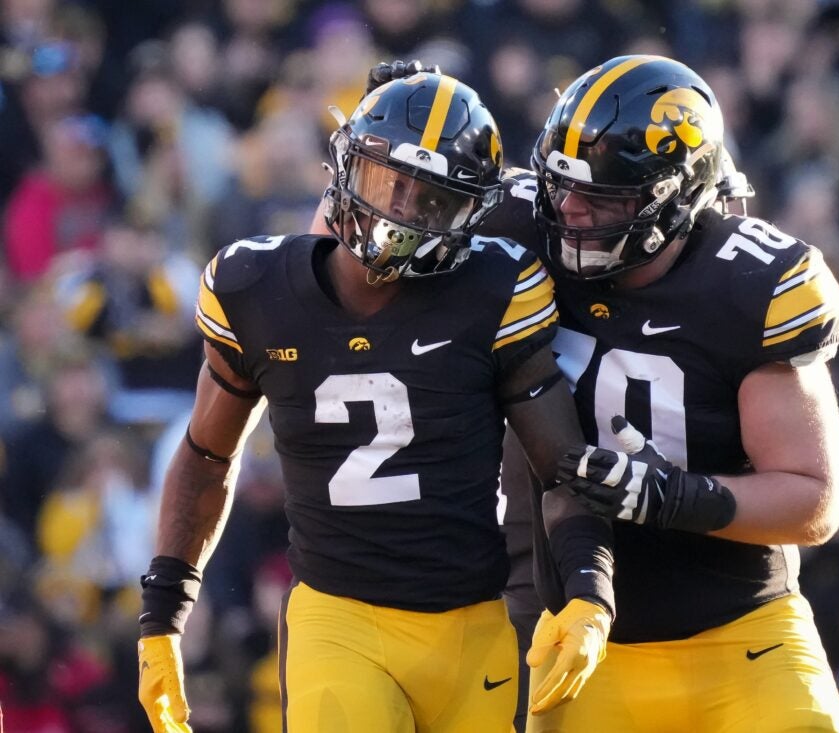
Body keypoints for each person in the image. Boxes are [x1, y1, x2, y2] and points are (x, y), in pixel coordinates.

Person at [136, 72, 618, 733]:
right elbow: (207, 454)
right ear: (341, 163)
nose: (395, 212)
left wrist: (589, 590)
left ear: (471, 214)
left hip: (472, 621)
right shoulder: (254, 287)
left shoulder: (496, 288)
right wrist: (163, 612)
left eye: (427, 200)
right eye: (383, 179)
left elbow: (560, 466)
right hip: (339, 616)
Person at [479, 55, 839, 731]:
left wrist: (673, 497)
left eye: (603, 197)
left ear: (676, 197)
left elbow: (813, 498)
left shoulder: (750, 287)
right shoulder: (516, 229)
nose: (568, 209)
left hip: (741, 632)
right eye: (560, 184)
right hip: (584, 636)